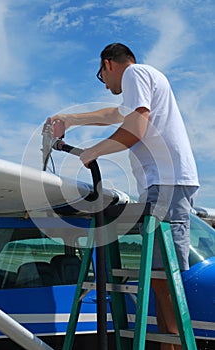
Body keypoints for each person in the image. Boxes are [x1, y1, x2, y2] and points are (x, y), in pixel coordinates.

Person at [49, 43, 199, 350]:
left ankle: (173, 345)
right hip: (164, 183)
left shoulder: (135, 74)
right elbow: (113, 114)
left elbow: (135, 127)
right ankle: (168, 345)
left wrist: (95, 151)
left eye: (101, 76)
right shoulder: (141, 82)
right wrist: (70, 119)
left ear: (108, 65)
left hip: (167, 182)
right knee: (160, 281)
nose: (104, 85)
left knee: (164, 281)